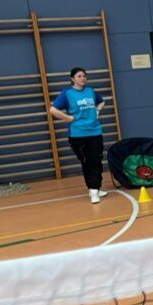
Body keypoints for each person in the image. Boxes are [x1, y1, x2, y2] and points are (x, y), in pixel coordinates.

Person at [49, 67, 108, 204]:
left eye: (84, 76)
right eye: (79, 76)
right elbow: (53, 109)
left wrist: (98, 110)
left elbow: (101, 101)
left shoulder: (90, 91)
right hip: (78, 134)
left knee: (95, 160)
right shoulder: (67, 93)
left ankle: (94, 189)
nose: (83, 78)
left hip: (95, 132)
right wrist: (67, 118)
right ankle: (93, 187)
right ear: (72, 79)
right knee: (86, 161)